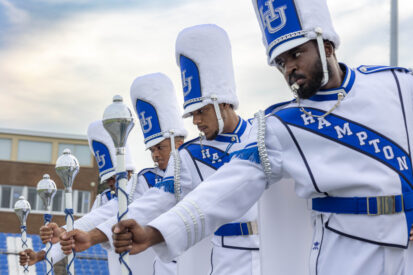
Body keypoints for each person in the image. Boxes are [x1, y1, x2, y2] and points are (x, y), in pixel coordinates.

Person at [110, 1, 413, 275]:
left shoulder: (397, 84)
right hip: (346, 259)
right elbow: (223, 188)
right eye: (281, 62)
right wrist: (157, 231)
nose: (290, 68)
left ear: (327, 46)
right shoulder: (280, 126)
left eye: (296, 54)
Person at [60, 24, 261, 275]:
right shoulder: (189, 156)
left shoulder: (262, 134)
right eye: (191, 114)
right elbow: (152, 203)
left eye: (201, 111)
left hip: (273, 253)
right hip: (223, 259)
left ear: (224, 101)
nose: (196, 121)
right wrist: (91, 235)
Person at [54, 73, 186, 275]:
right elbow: (115, 210)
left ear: (179, 142)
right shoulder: (145, 180)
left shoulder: (195, 163)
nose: (156, 155)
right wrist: (70, 230)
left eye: (160, 148)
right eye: (151, 150)